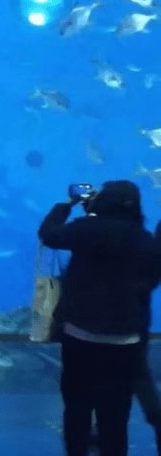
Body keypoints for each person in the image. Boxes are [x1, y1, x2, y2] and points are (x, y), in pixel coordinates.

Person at [39, 180, 161, 456]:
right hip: (125, 342)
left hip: (81, 338)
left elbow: (49, 234)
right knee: (115, 417)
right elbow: (151, 278)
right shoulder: (144, 239)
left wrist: (66, 207)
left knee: (77, 409)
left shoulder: (87, 229)